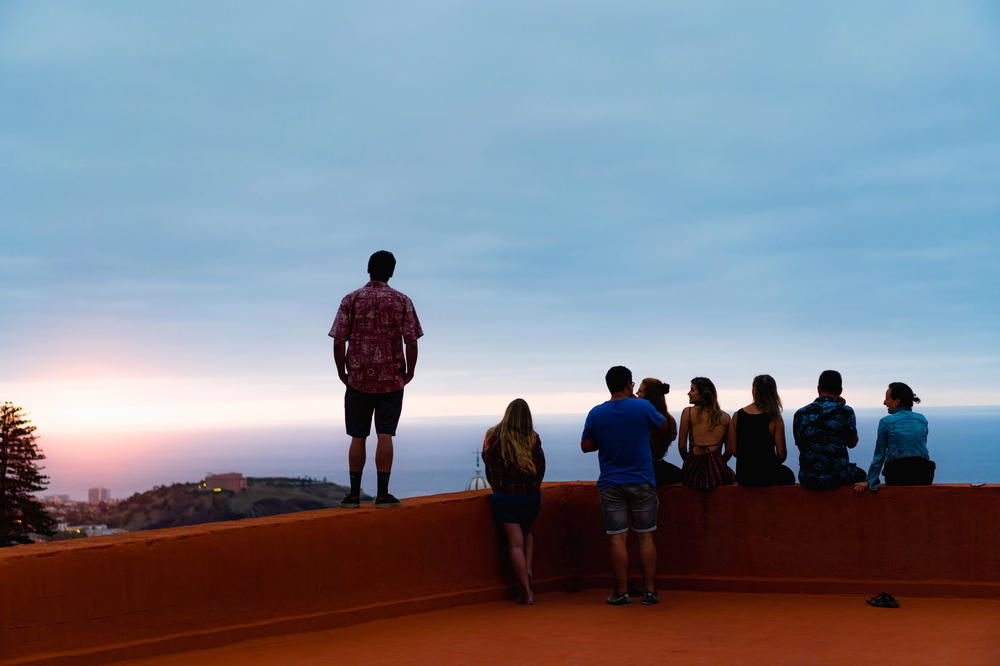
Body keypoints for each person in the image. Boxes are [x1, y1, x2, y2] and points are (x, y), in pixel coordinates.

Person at [330, 250, 423, 508]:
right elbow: (411, 342)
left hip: (357, 379)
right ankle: (383, 495)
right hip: (391, 379)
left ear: (368, 269)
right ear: (392, 272)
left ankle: (353, 495)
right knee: (385, 434)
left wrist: (341, 371)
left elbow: (339, 341)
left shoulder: (351, 299)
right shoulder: (402, 301)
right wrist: (410, 371)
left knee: (357, 436)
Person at [581, 366, 672, 606]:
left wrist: (610, 437)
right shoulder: (642, 407)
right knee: (646, 537)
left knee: (617, 539)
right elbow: (664, 427)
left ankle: (620, 593)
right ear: (628, 384)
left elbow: (586, 445)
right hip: (642, 479)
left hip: (611, 482)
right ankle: (650, 592)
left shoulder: (596, 413)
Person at [482, 399, 546, 604]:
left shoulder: (492, 436)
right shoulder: (533, 438)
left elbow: (488, 461)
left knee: (514, 544)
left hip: (504, 497)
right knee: (527, 533)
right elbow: (540, 467)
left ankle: (526, 591)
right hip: (529, 497)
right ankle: (527, 569)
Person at [854, 382, 935, 494]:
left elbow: (879, 456)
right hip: (923, 473)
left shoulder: (886, 422)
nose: (884, 402)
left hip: (898, 473)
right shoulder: (922, 419)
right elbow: (921, 448)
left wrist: (870, 481)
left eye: (887, 398)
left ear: (897, 401)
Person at [793, 370, 866, 490]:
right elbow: (852, 443)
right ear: (840, 390)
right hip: (836, 478)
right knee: (862, 475)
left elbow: (801, 445)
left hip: (808, 478)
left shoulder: (800, 414)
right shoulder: (845, 411)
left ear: (818, 389)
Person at [727, 375, 795, 486]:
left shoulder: (737, 415)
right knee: (788, 475)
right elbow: (782, 455)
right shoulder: (775, 417)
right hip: (767, 476)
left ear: (753, 390)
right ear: (773, 391)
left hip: (744, 476)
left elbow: (733, 451)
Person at [678, 377, 735, 491]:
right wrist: (718, 464)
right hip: (717, 471)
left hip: (693, 469)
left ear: (703, 394)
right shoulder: (725, 417)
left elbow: (682, 446)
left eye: (692, 390)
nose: (688, 393)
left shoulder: (687, 413)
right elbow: (730, 450)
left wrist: (689, 462)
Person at [636, 378, 681, 485]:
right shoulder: (670, 420)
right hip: (660, 469)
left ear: (649, 396)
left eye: (640, 391)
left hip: (642, 471)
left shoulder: (641, 418)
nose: (636, 393)